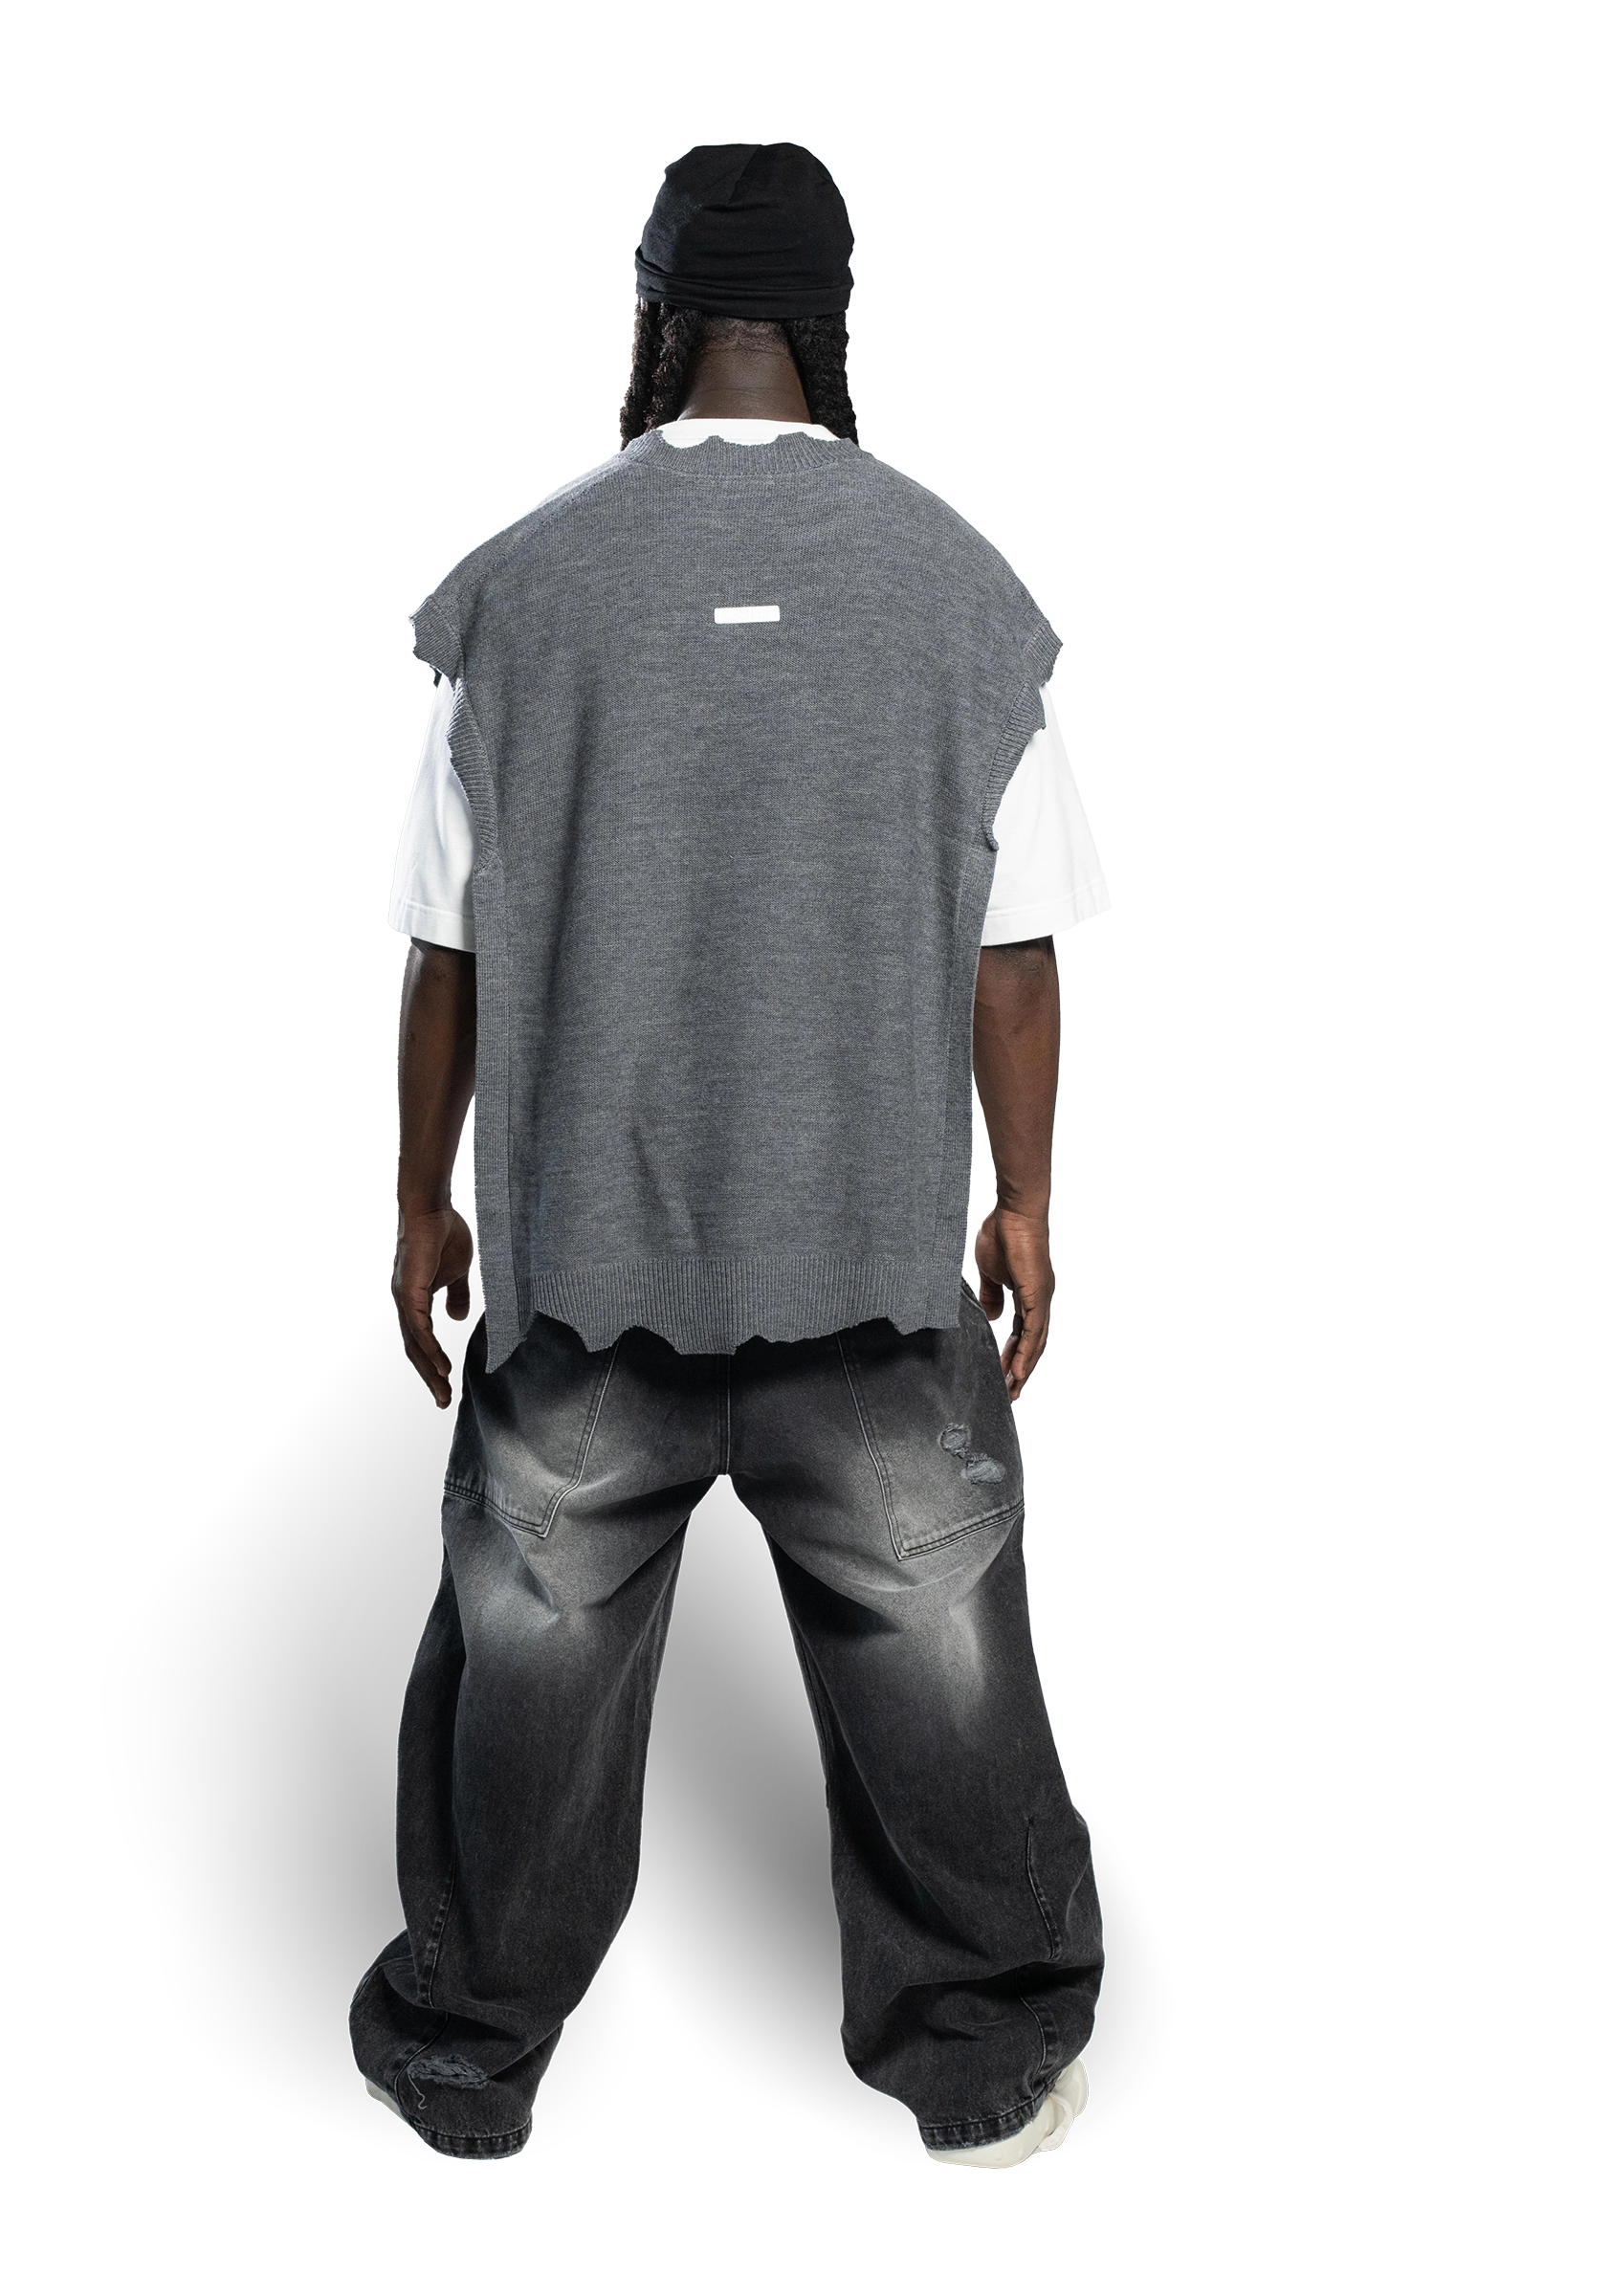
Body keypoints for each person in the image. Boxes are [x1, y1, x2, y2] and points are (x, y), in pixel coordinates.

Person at [349, 140, 1109, 2169]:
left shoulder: (519, 594)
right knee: (939, 1682)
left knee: (525, 1680)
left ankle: (465, 2066)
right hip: (868, 1257)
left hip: (580, 1264)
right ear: (836, 318)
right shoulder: (962, 592)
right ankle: (986, 2073)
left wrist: (421, 1204)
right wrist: (1026, 1199)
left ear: (652, 310)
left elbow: (445, 953)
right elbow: (1015, 955)